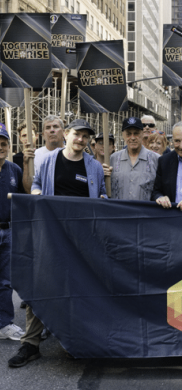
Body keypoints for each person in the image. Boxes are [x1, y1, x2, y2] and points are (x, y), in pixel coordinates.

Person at [8, 119, 106, 368]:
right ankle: (30, 344)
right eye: (77, 134)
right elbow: (36, 185)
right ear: (67, 135)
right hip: (51, 236)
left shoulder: (93, 166)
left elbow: (102, 193)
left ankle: (72, 341)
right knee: (41, 286)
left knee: (77, 289)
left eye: (85, 137)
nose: (81, 140)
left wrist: (103, 198)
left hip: (82, 239)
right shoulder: (49, 161)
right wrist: (37, 195)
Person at [0, 124, 29, 342]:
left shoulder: (14, 170)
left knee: (6, 282)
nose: (0, 147)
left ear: (9, 146)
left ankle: (5, 324)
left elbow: (22, 198)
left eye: (3, 143)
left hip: (8, 230)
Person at [107, 118, 160, 201]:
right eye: (128, 134)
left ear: (142, 134)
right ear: (123, 135)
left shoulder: (156, 159)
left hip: (145, 213)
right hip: (119, 212)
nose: (132, 138)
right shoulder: (113, 159)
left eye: (136, 134)